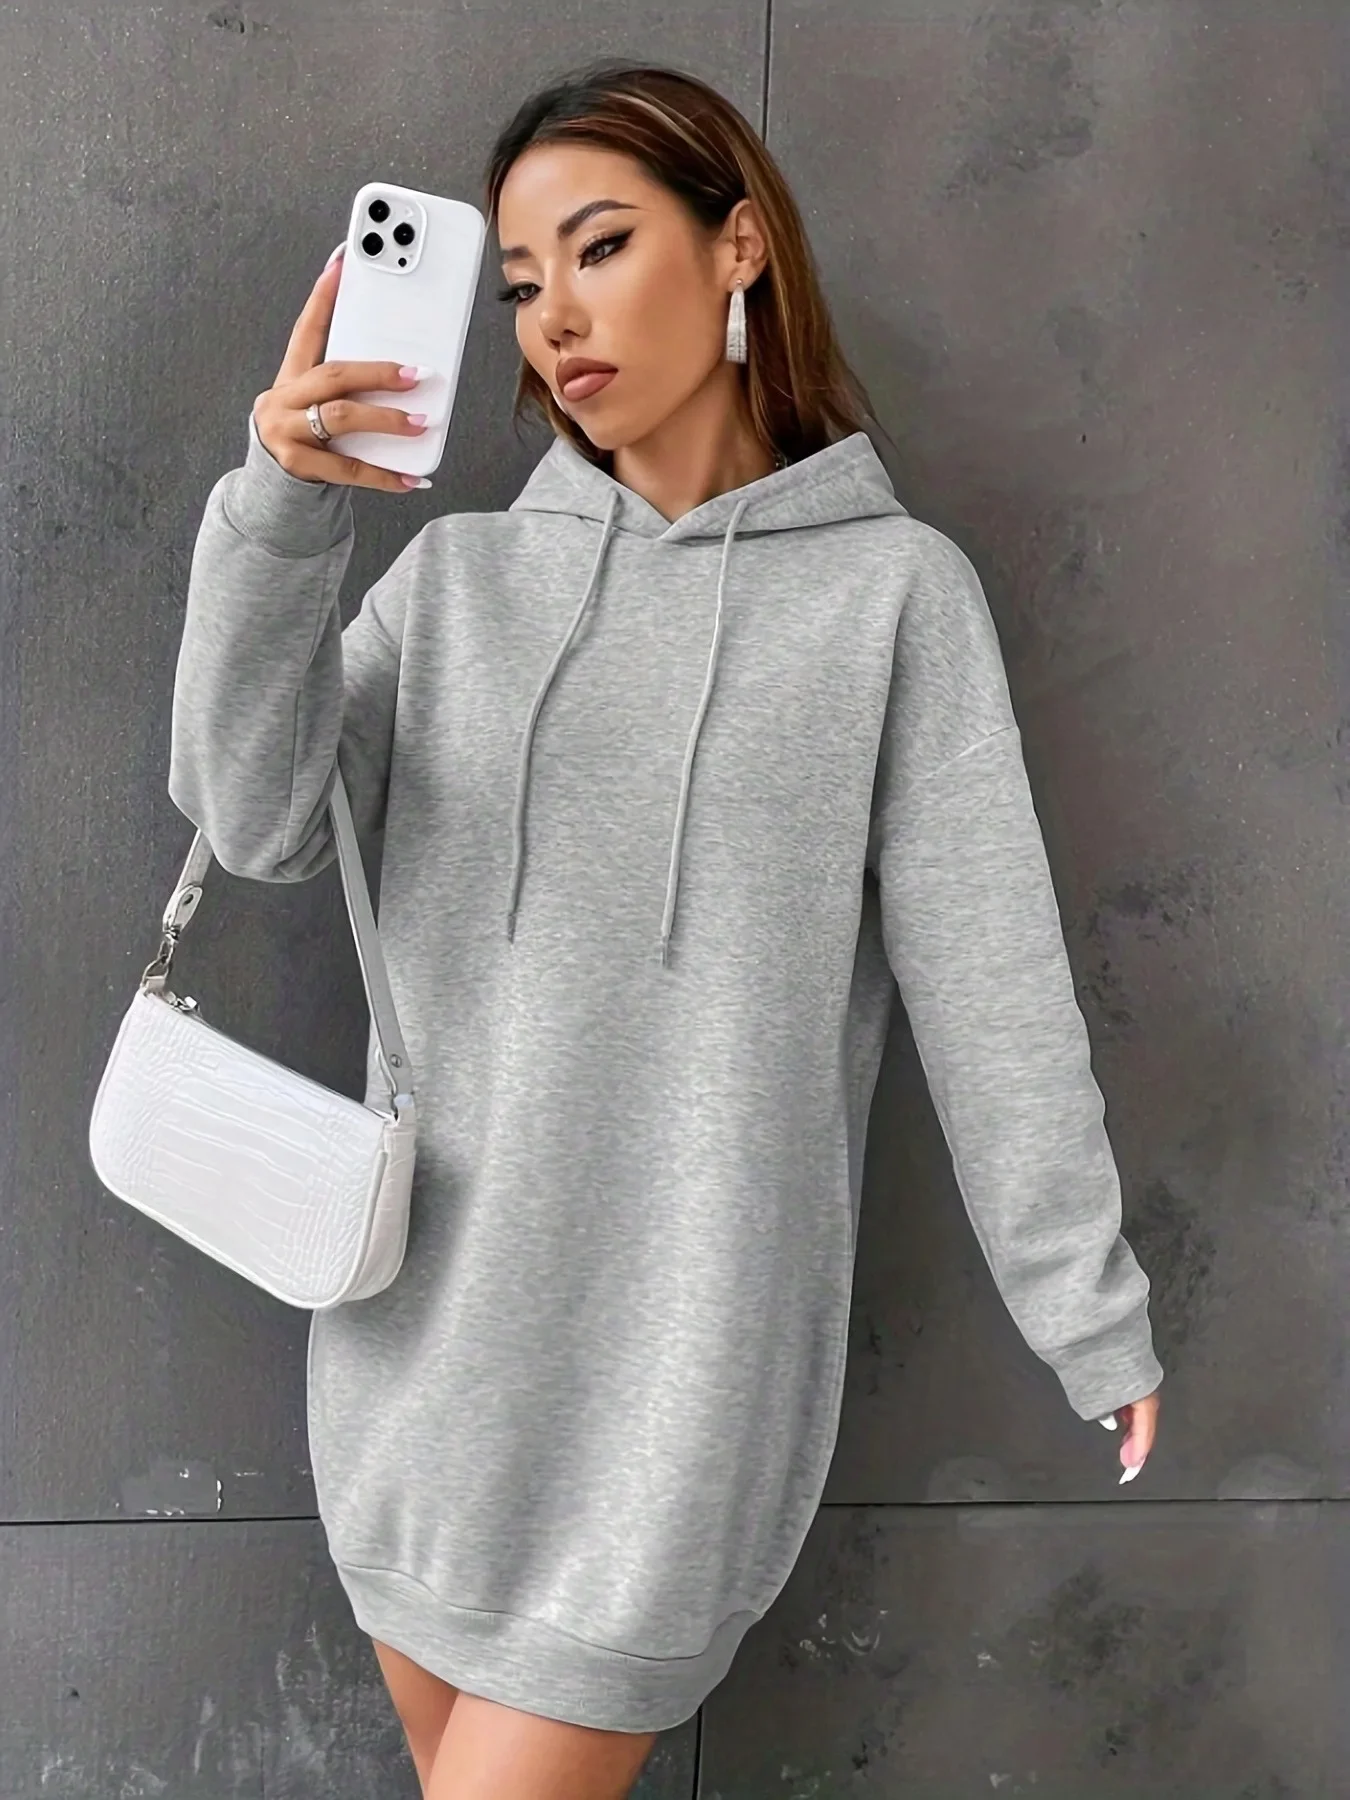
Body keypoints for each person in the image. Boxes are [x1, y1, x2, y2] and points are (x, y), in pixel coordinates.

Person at [167, 57, 1163, 1800]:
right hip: (419, 1371)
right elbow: (251, 823)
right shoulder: (460, 584)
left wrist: (1085, 1312)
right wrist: (279, 509)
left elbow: (992, 987)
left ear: (737, 248)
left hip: (680, 1396)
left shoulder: (892, 600)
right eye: (520, 282)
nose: (556, 315)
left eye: (602, 245)